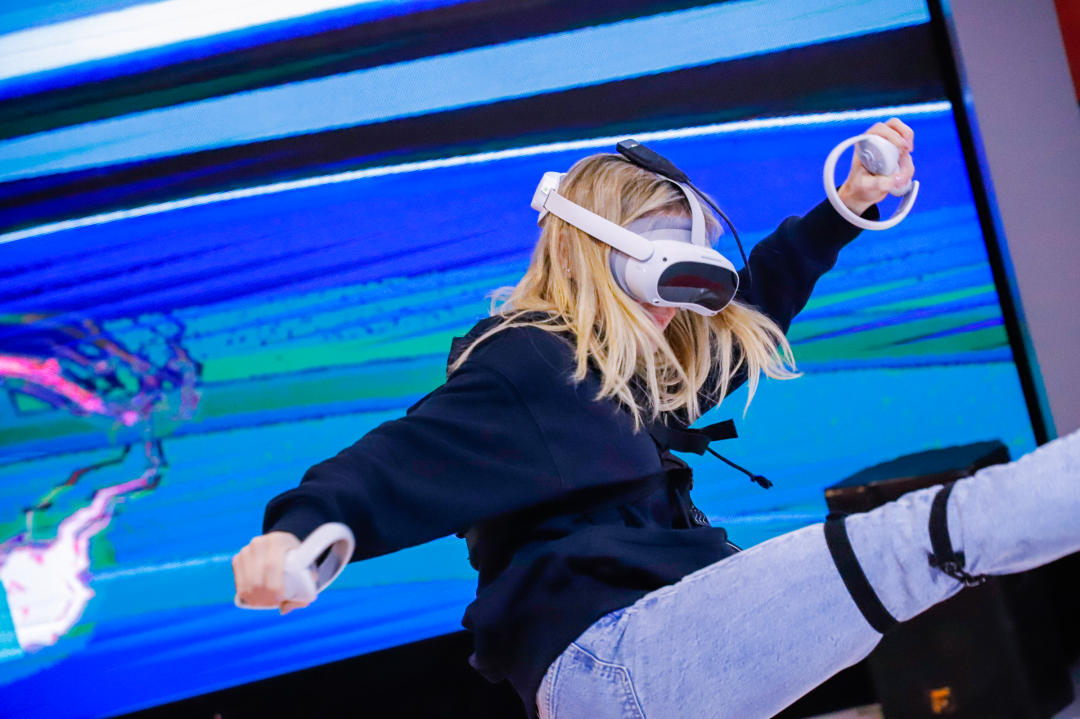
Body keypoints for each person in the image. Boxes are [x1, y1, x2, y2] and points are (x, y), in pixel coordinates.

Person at [232, 119, 1080, 719]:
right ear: (598, 257)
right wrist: (296, 535)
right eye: (669, 276)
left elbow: (756, 308)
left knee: (918, 549)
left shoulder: (621, 379)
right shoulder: (529, 364)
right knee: (922, 538)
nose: (684, 305)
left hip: (634, 664)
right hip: (615, 657)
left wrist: (845, 209)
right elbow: (393, 462)